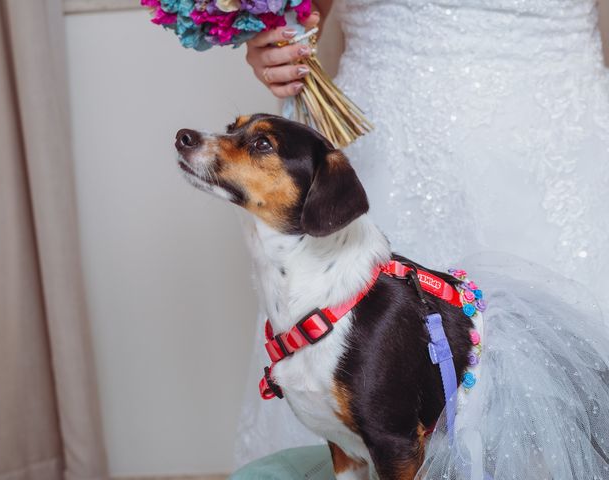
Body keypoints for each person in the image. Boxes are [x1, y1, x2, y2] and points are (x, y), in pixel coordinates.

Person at [236, 0, 609, 468]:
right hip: (382, 141)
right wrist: (275, 38)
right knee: (361, 397)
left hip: (559, 149)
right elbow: (305, 14)